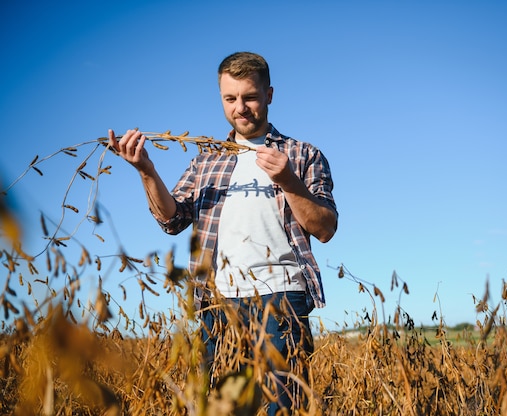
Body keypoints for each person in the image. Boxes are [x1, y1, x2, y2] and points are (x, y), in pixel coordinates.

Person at [108, 51, 338, 414]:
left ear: (269, 95)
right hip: (217, 302)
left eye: (249, 97)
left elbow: (324, 228)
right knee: (221, 408)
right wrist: (146, 170)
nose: (240, 108)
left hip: (281, 299)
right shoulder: (207, 158)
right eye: (230, 99)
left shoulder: (302, 155)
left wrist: (288, 180)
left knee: (284, 406)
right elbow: (173, 220)